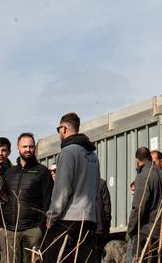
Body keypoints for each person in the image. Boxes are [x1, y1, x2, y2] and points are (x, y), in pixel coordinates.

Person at [45, 112, 100, 263]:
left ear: (63, 129)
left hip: (68, 220)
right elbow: (96, 188)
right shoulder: (93, 156)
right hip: (88, 219)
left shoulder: (68, 152)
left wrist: (51, 217)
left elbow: (62, 189)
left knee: (53, 258)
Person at [0, 132, 54, 263]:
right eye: (24, 146)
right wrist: (0, 228)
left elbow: (49, 201)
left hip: (32, 230)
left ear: (34, 148)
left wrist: (41, 228)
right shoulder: (9, 173)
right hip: (9, 231)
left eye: (31, 146)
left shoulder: (42, 172)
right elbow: (1, 201)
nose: (28, 149)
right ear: (18, 148)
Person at [126, 147, 162, 263]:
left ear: (137, 160)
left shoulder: (144, 176)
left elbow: (138, 207)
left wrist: (131, 229)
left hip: (145, 233)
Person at [96, 175, 112, 263]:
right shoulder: (101, 183)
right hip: (99, 228)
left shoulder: (81, 183)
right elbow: (107, 207)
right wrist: (107, 227)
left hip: (86, 228)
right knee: (99, 255)